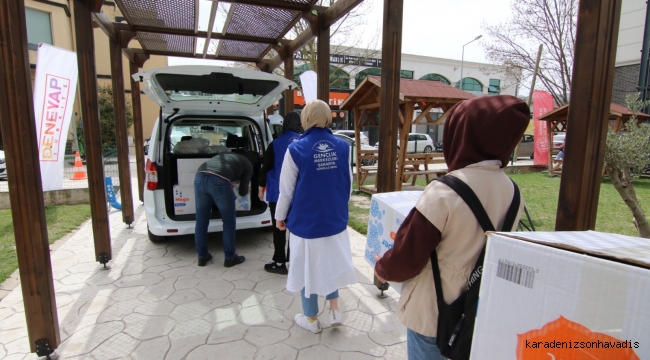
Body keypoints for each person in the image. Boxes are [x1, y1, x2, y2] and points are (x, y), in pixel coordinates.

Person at [373, 95, 529, 359]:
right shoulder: (512, 191)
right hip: (475, 313)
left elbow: (407, 258)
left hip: (434, 316)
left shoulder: (444, 191)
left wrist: (381, 268)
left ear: (463, 135)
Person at [275, 99, 358, 333]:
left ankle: (311, 319)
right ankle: (334, 311)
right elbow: (347, 185)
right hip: (334, 221)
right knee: (329, 264)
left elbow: (286, 190)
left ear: (306, 119)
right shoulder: (343, 147)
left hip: (306, 223)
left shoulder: (296, 149)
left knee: (307, 269)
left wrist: (280, 216)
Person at [193, 149, 255, 267]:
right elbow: (242, 192)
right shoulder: (248, 164)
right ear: (253, 163)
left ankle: (202, 256)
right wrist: (247, 189)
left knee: (201, 221)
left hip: (199, 176)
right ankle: (230, 257)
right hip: (219, 181)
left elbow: (222, 170)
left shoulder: (225, 154)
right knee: (228, 222)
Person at [258, 111, 303, 274]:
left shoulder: (275, 144)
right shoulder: (304, 143)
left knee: (279, 228)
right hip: (299, 195)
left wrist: (260, 188)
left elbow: (266, 167)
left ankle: (279, 262)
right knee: (295, 229)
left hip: (278, 194)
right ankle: (294, 261)